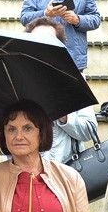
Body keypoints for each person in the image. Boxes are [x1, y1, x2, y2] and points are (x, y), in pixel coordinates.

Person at [24, 18, 98, 162]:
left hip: (67, 169)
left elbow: (90, 130)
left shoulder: (75, 79)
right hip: (28, 172)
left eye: (49, 40)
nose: (43, 45)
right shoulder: (17, 80)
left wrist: (63, 115)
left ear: (59, 46)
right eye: (36, 41)